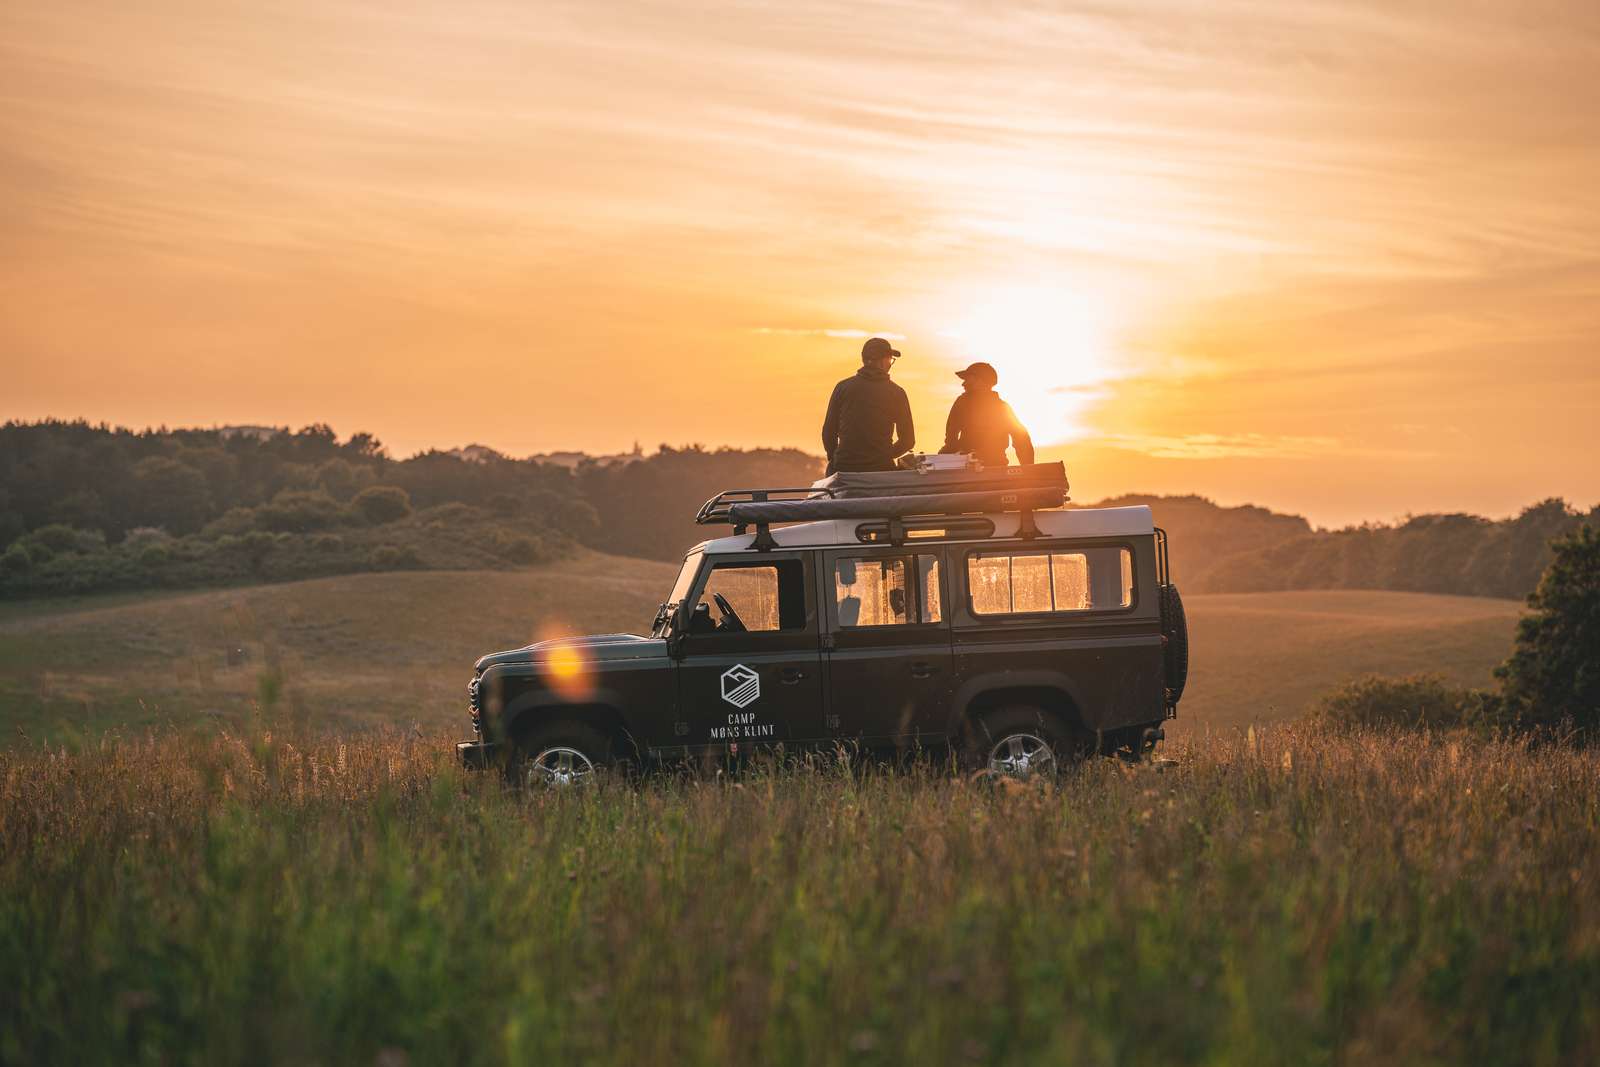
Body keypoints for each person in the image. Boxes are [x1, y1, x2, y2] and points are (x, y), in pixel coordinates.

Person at [820, 337, 915, 474]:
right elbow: (908, 440)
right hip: (881, 468)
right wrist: (883, 455)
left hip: (844, 468)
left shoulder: (843, 388)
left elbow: (829, 432)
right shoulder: (897, 393)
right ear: (882, 362)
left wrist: (836, 458)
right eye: (889, 360)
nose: (889, 365)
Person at [939, 361, 1034, 467]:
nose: (963, 384)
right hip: (993, 467)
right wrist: (1028, 470)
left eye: (968, 379)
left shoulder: (962, 403)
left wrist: (942, 462)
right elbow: (1022, 439)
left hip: (971, 470)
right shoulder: (1002, 407)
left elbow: (951, 441)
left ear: (981, 381)